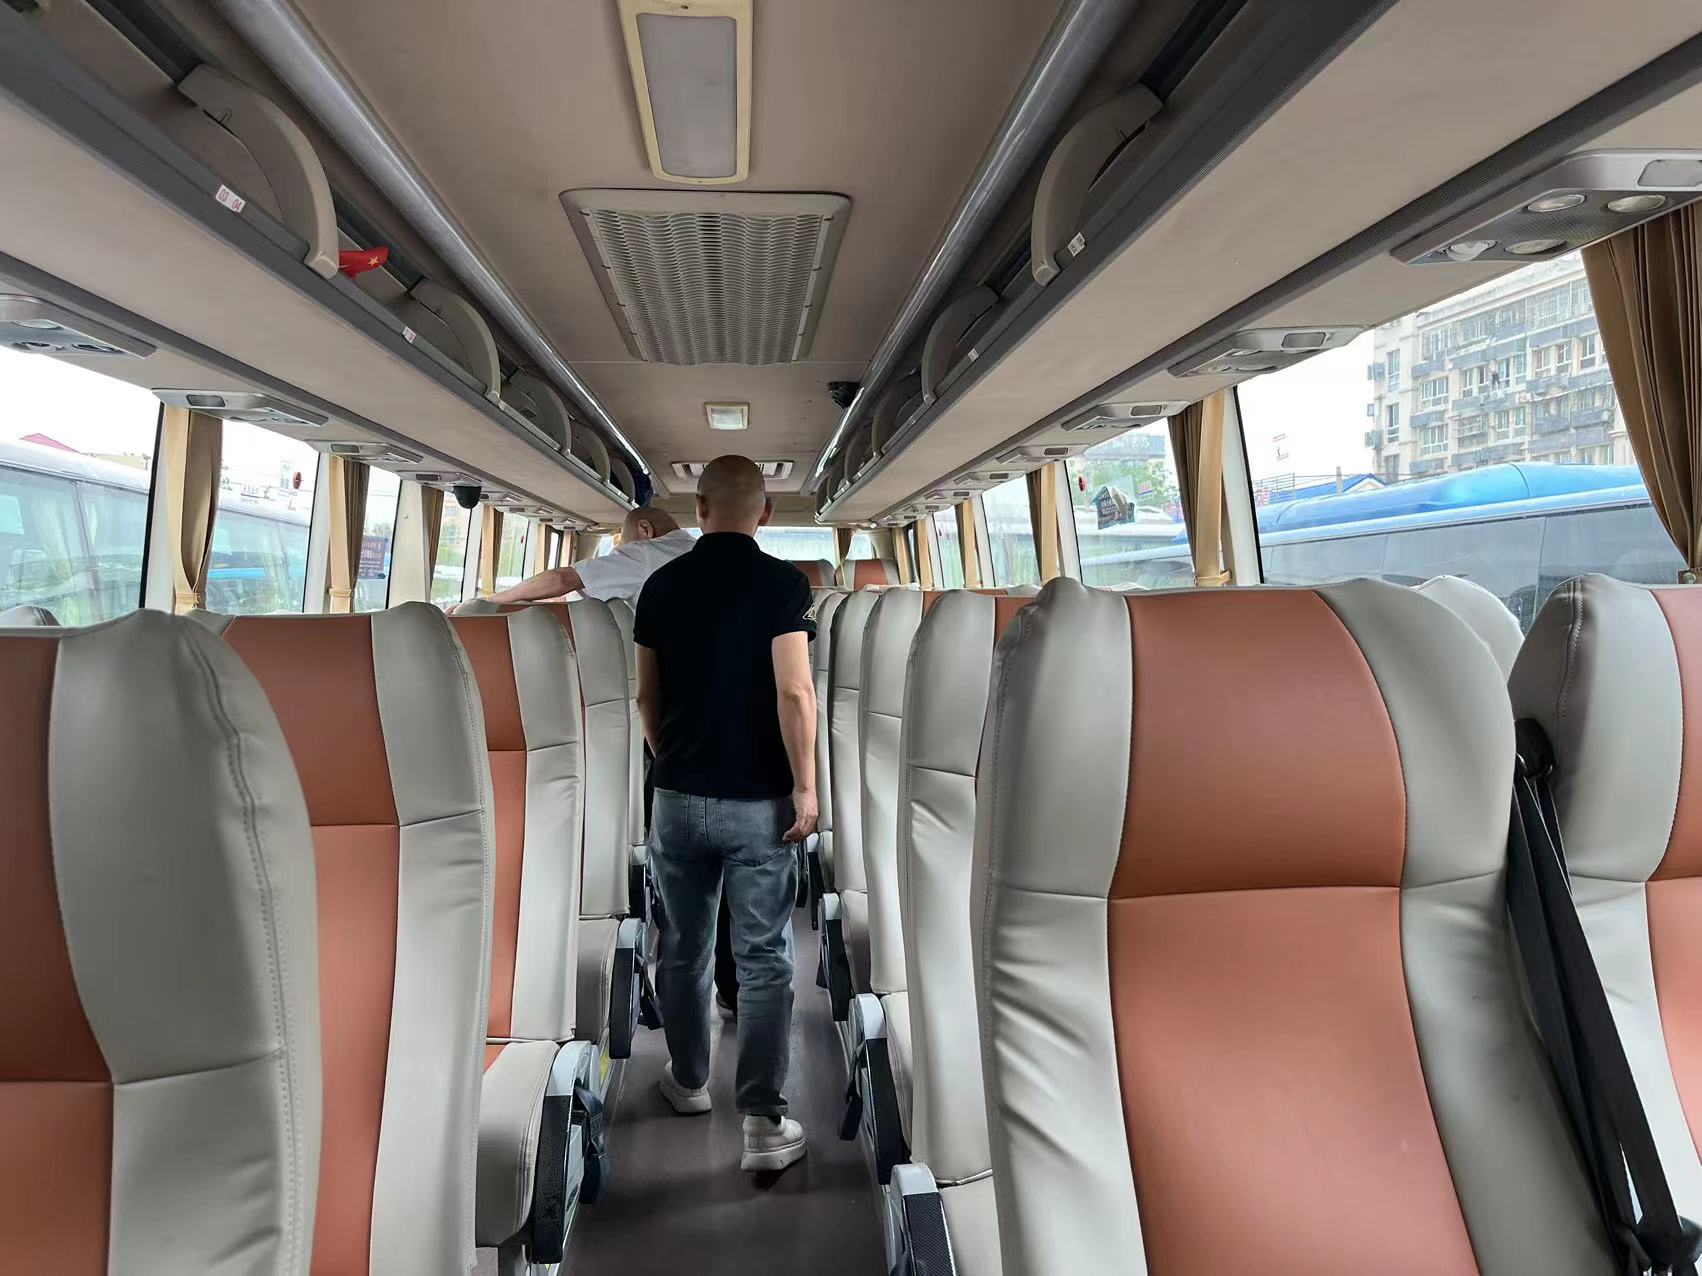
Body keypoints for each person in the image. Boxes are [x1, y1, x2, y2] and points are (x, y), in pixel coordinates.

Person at [634, 455, 818, 1174]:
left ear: (700, 507)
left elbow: (646, 695)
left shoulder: (661, 585)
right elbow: (794, 693)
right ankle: (764, 1125)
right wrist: (805, 787)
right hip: (759, 801)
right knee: (764, 956)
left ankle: (687, 1082)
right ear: (765, 512)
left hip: (677, 799)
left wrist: (671, 761)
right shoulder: (783, 584)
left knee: (683, 946)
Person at [466, 504, 693, 607]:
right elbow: (577, 593)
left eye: (624, 545)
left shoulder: (646, 553)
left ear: (645, 530)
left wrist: (490, 600)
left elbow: (562, 579)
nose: (622, 552)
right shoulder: (696, 547)